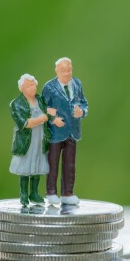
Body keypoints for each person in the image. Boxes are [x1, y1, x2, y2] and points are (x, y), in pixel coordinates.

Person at [42, 57, 88, 206]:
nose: (67, 73)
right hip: (55, 133)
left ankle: (68, 193)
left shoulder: (77, 84)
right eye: (63, 70)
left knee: (70, 165)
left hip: (72, 131)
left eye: (69, 70)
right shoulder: (49, 87)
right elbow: (42, 109)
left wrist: (82, 112)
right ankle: (51, 192)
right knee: (53, 164)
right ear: (57, 70)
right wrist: (53, 120)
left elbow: (84, 103)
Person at [9, 74, 53, 207]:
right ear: (22, 88)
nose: (32, 87)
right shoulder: (16, 104)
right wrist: (41, 119)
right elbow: (25, 123)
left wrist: (54, 115)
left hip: (40, 138)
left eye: (33, 84)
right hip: (26, 141)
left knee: (37, 164)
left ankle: (34, 192)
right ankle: (23, 194)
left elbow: (48, 113)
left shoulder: (40, 100)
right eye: (29, 85)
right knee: (25, 166)